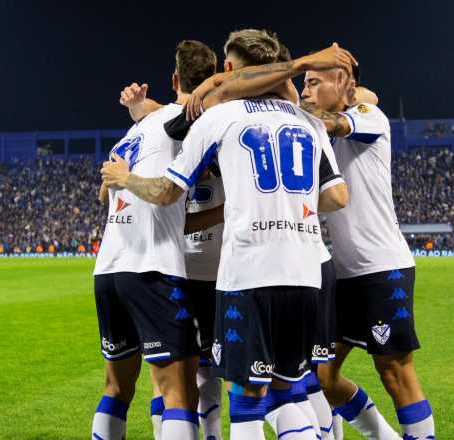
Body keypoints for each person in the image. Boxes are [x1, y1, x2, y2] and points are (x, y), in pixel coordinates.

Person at [102, 29, 348, 440]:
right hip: (306, 272)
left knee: (246, 398)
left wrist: (126, 178)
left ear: (229, 69)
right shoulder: (308, 122)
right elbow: (337, 197)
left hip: (246, 274)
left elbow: (164, 191)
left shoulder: (218, 117)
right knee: (289, 392)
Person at [298, 55, 435, 439]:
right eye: (303, 84)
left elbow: (334, 122)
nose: (304, 90)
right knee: (322, 375)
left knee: (394, 372)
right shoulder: (320, 125)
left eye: (312, 82)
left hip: (381, 267)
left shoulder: (368, 116)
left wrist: (304, 108)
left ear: (341, 82)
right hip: (342, 274)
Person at [90, 40, 216, 440]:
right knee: (178, 392)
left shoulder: (134, 131)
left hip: (109, 269)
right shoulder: (191, 118)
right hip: (153, 267)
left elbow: (103, 192)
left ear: (174, 78)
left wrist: (137, 109)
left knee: (116, 388)